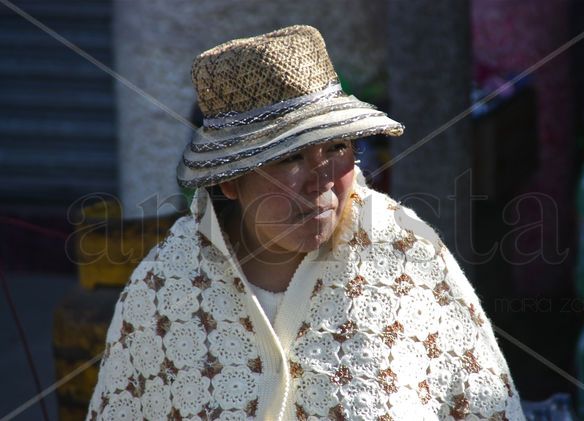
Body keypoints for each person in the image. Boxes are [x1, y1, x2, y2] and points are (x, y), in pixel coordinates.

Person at [87, 25, 525, 420]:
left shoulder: (411, 261)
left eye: (336, 148)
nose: (321, 180)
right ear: (230, 183)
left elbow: (488, 406)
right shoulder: (165, 291)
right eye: (289, 158)